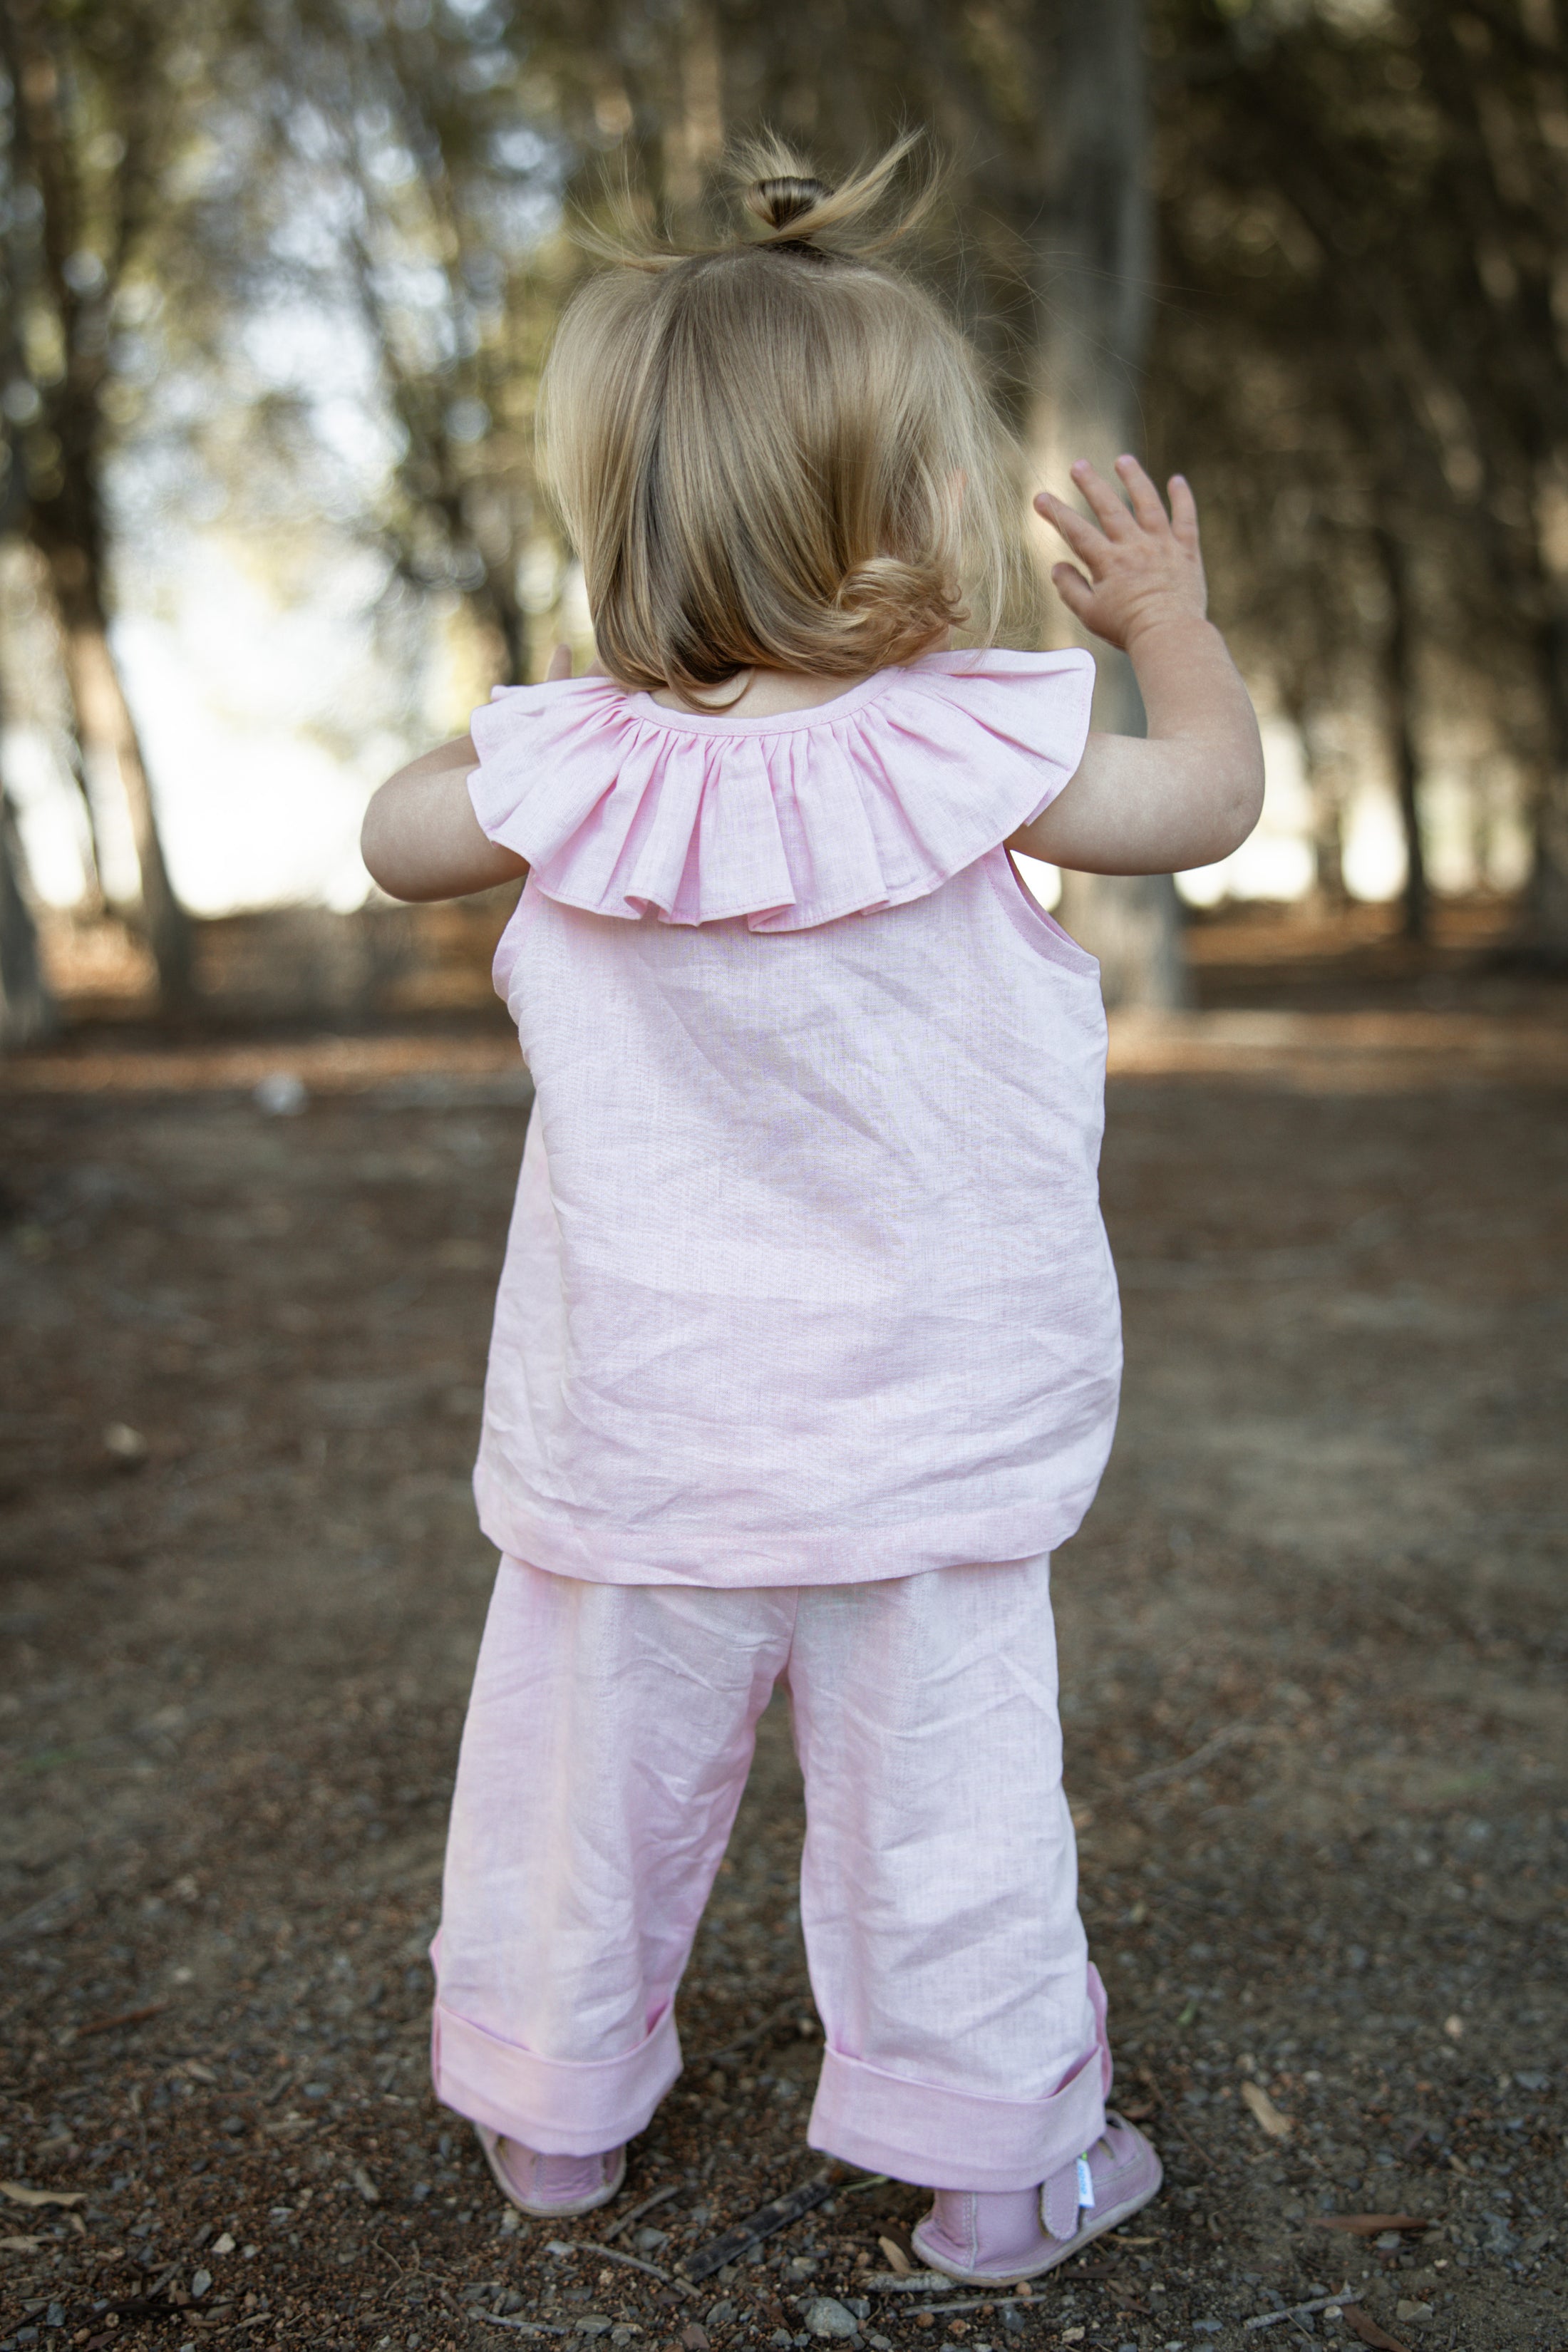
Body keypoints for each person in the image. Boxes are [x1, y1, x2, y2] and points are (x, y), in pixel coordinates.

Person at [361, 134, 1263, 2288]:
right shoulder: (983, 750)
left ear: (629, 514)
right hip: (919, 1430)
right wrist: (1171, 628)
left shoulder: (561, 774)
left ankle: (555, 2110)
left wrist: (551, 747)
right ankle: (990, 2167)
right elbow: (1210, 799)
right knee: (948, 1806)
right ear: (912, 506)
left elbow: (399, 835)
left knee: (582, 1793)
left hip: (643, 1429)